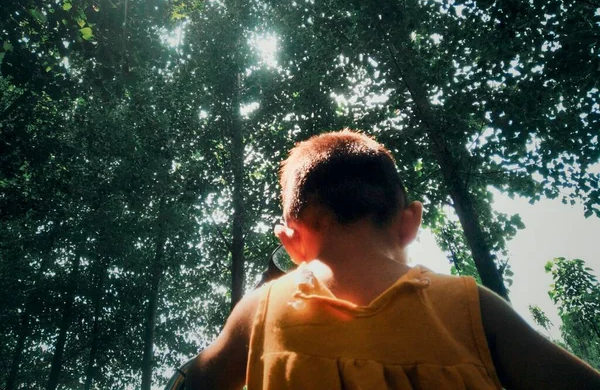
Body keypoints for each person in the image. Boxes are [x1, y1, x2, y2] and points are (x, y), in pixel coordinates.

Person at [185, 130, 600, 390]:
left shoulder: (258, 313)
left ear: (290, 242)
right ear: (409, 223)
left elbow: (191, 382)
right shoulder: (470, 306)